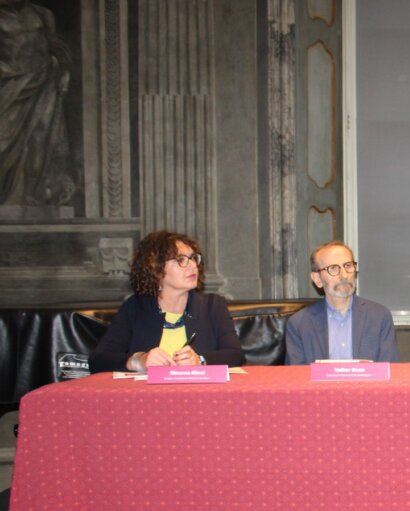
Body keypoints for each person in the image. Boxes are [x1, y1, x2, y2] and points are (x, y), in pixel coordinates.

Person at [89, 231, 243, 372]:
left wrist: (200, 360)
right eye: (181, 260)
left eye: (193, 258)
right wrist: (138, 360)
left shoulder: (212, 305)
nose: (193, 266)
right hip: (149, 392)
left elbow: (235, 355)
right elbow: (98, 360)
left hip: (199, 391)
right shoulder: (136, 307)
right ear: (156, 269)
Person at [0, 0, 76, 205]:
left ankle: (34, 194)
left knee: (40, 138)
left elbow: (55, 46)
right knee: (3, 140)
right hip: (10, 85)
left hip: (44, 81)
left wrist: (64, 71)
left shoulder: (43, 14)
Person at [285, 241, 398, 364]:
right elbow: (296, 374)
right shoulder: (299, 324)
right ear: (317, 279)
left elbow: (389, 370)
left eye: (348, 266)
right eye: (333, 268)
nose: (344, 275)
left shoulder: (379, 317)